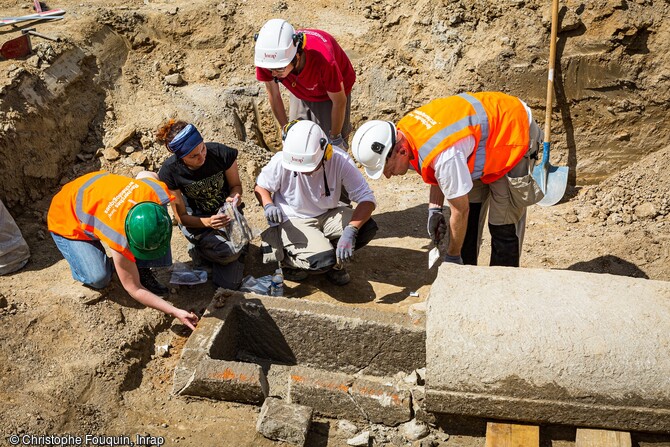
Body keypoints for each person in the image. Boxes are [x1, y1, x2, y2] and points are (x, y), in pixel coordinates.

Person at [351, 91, 544, 267]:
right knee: (471, 218)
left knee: (502, 225)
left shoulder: (445, 157)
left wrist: (452, 257)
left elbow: (460, 208)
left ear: (400, 151)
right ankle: (468, 280)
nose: (387, 175)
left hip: (511, 134)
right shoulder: (407, 131)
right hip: (478, 143)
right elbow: (435, 166)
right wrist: (434, 209)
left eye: (387, 168)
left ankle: (502, 291)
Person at [48, 171, 199, 330]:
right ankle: (123, 265)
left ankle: (136, 264)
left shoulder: (151, 191)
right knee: (98, 278)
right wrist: (174, 311)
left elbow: (146, 173)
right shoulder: (117, 234)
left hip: (93, 189)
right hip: (66, 216)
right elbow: (134, 288)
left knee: (153, 225)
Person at [254, 119, 378, 285]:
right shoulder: (282, 160)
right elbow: (261, 187)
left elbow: (367, 199)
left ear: (325, 152)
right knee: (321, 262)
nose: (303, 173)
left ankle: (334, 261)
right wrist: (269, 205)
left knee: (366, 227)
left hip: (327, 214)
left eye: (309, 167)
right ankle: (288, 260)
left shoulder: (339, 160)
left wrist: (351, 231)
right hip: (294, 219)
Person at [156, 120, 247, 290]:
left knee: (231, 279)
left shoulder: (220, 153)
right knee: (231, 253)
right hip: (198, 221)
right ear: (181, 157)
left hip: (226, 215)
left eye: (203, 148)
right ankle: (200, 249)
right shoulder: (169, 172)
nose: (202, 157)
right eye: (193, 156)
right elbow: (181, 217)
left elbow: (236, 186)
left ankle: (212, 254)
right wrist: (208, 223)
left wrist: (234, 197)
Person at [254, 18, 356, 149]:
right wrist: (286, 129)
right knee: (299, 143)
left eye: (279, 69)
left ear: (296, 56)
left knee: (328, 149)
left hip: (332, 92)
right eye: (270, 69)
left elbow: (339, 101)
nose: (273, 74)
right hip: (300, 88)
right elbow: (274, 95)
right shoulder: (269, 59)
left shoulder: (323, 60)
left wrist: (335, 138)